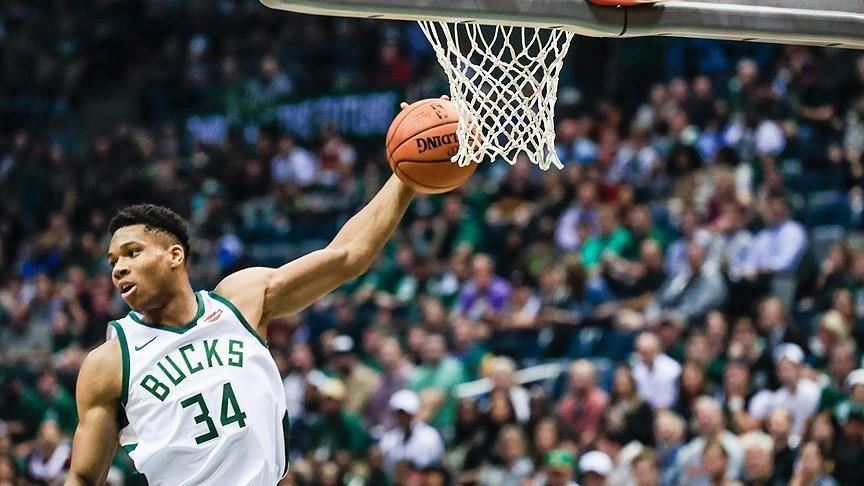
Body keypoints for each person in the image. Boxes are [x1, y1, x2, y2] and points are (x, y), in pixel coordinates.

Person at [65, 131, 423, 484]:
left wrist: (407, 172)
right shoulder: (110, 362)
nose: (119, 268)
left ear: (174, 255)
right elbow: (82, 477)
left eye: (132, 253)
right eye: (113, 261)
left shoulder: (239, 302)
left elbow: (348, 255)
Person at [378, 389, 445, 472]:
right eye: (399, 413)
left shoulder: (430, 436)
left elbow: (436, 464)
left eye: (406, 413)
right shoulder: (389, 438)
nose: (403, 417)